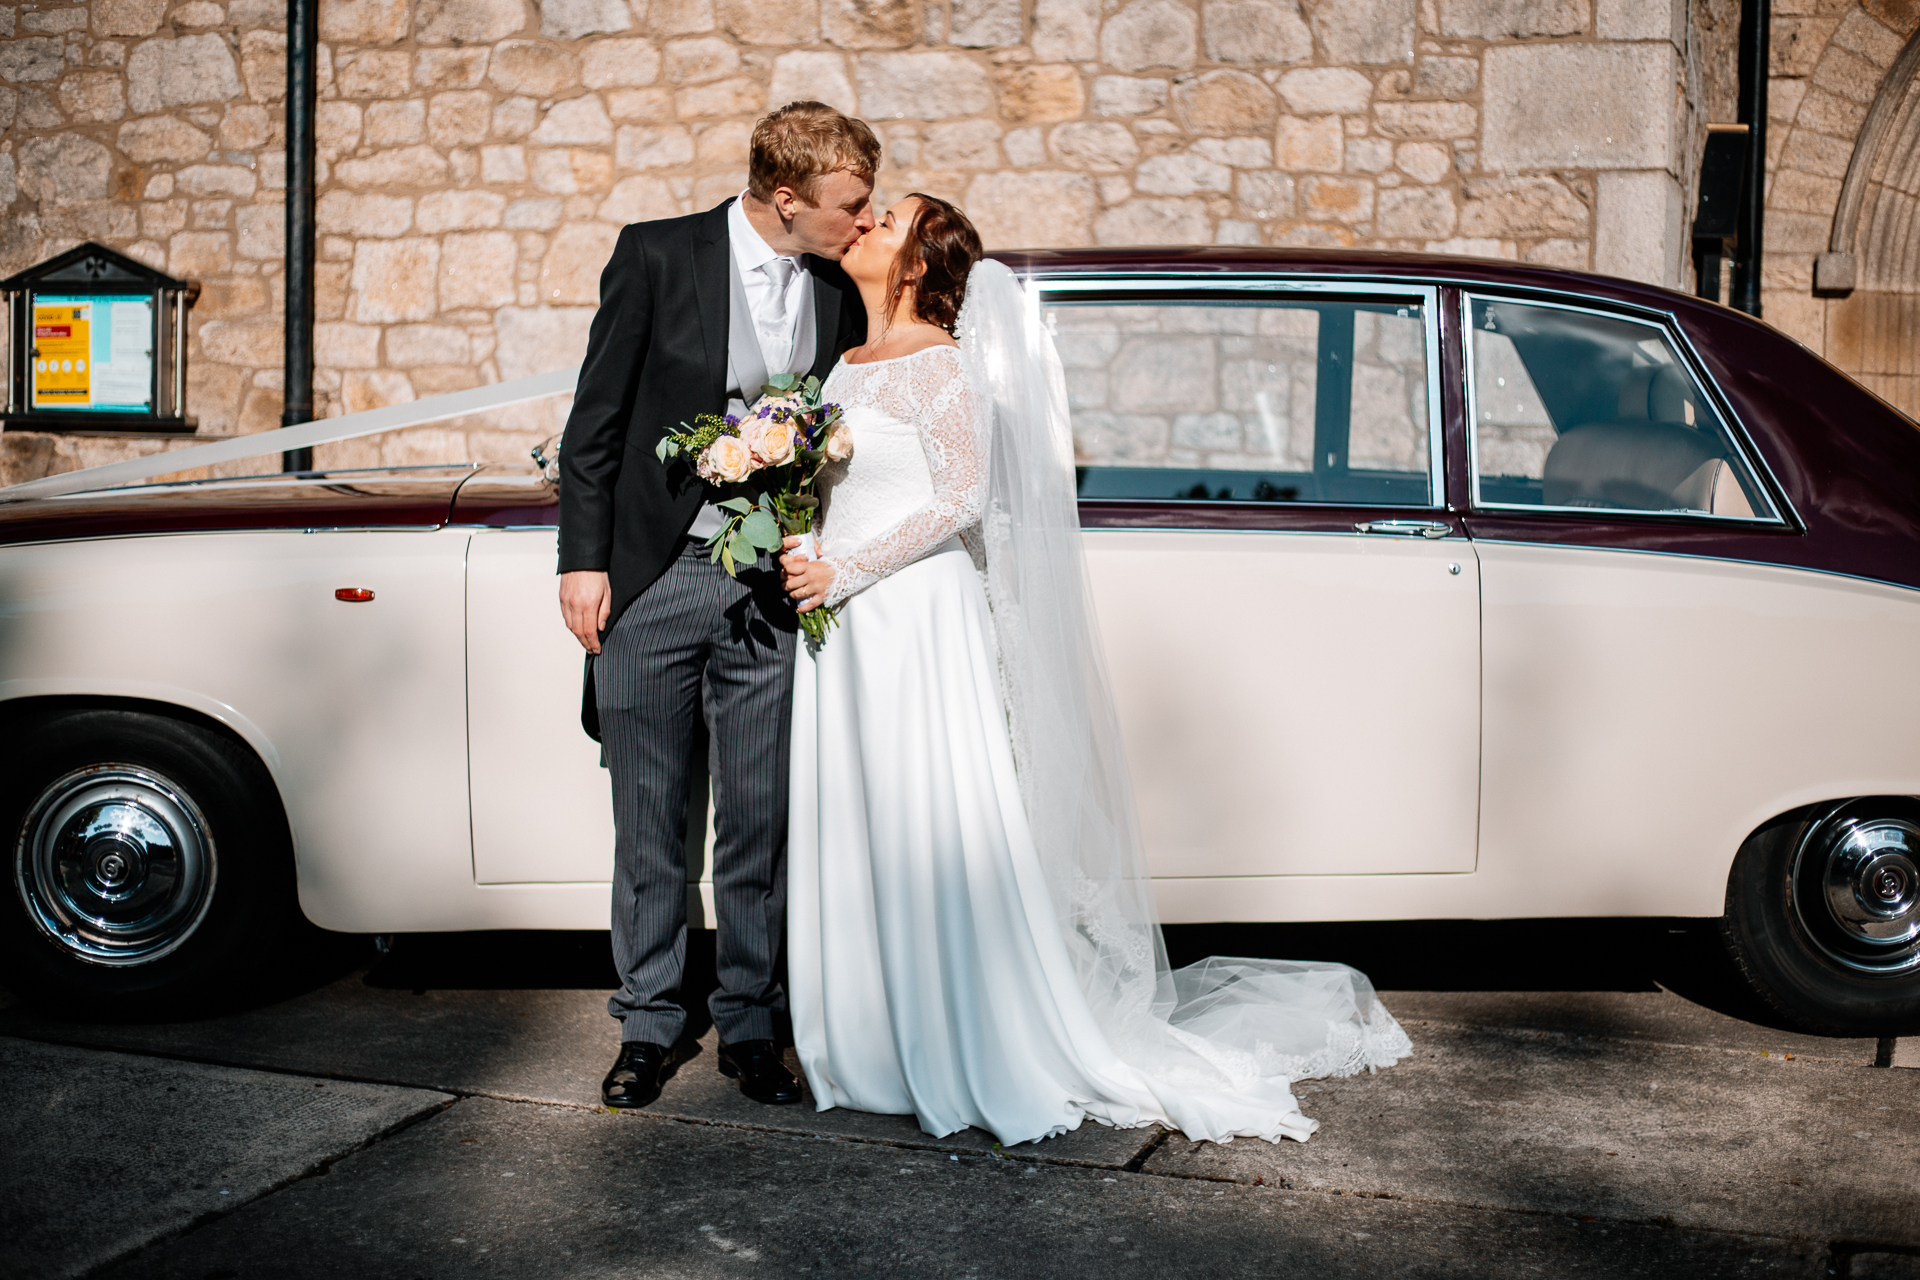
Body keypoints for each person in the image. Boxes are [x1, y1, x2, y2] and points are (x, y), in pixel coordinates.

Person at [777, 194, 1413, 1146]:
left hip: (910, 614)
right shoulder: (845, 365)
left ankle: (956, 1036)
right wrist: (800, 539)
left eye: (889, 219)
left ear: (916, 263)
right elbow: (839, 485)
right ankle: (868, 1038)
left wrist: (846, 569)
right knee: (864, 816)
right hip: (842, 621)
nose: (865, 224)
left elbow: (960, 496)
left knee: (929, 813)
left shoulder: (939, 365)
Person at [556, 102, 880, 1111]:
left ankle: (749, 1019)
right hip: (651, 579)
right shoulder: (655, 256)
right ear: (787, 198)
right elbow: (595, 421)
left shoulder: (838, 290)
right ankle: (649, 1022)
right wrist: (583, 563)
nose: (863, 223)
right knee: (648, 816)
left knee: (758, 818)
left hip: (766, 591)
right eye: (850, 205)